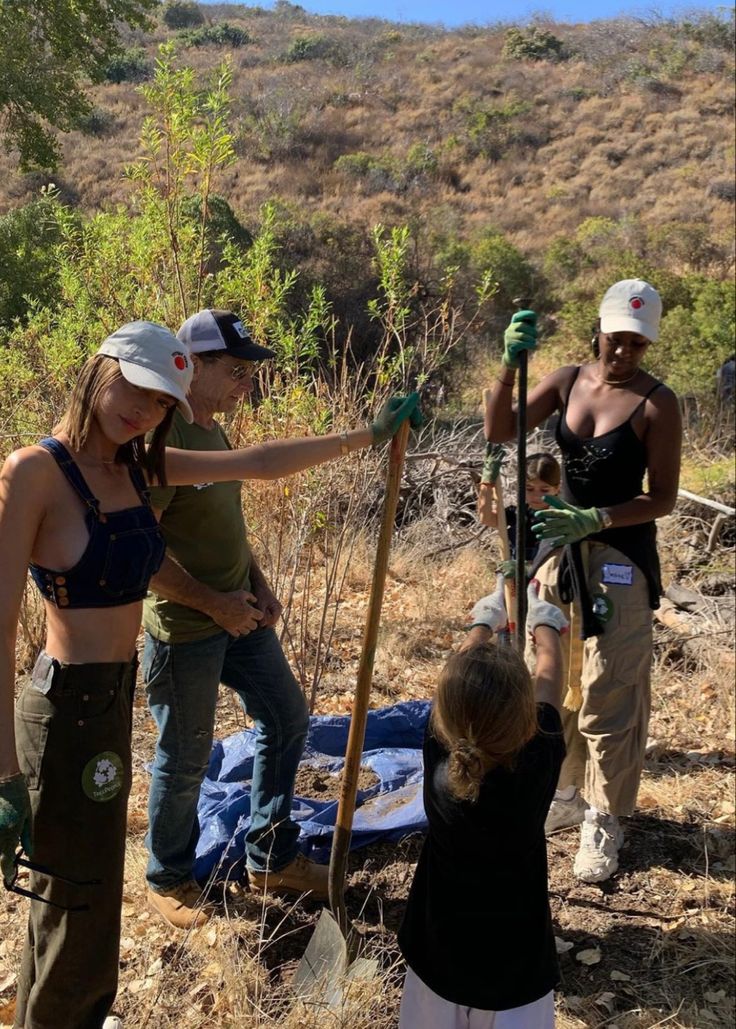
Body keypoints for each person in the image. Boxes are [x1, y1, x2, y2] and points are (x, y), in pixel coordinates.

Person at [0, 319, 419, 1027]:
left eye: (163, 400)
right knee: (74, 891)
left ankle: (53, 1010)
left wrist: (367, 438)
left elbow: (258, 463)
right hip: (60, 710)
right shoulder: (34, 473)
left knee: (85, 892)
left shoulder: (135, 468)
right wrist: (4, 773)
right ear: (100, 368)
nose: (145, 407)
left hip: (110, 702)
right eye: (135, 385)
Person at [142, 309, 421, 929]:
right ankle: (166, 878)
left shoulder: (211, 432)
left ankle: (270, 855)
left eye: (251, 371)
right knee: (184, 757)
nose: (248, 382)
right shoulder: (163, 436)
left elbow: (224, 531)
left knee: (286, 716)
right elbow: (145, 552)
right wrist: (212, 603)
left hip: (238, 617)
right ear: (190, 365)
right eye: (236, 370)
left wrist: (257, 585)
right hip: (185, 627)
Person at [484, 280, 682, 883]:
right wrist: (508, 367)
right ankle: (566, 792)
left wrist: (598, 517)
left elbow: (664, 498)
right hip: (557, 550)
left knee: (610, 687)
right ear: (598, 329)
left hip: (619, 553)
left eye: (636, 345)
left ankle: (605, 815)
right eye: (615, 339)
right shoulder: (569, 379)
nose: (622, 353)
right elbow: (501, 429)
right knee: (553, 675)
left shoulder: (656, 404)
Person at [397, 577, 568, 1029]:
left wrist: (483, 623)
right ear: (528, 722)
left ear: (446, 717)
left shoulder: (440, 751)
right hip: (515, 969)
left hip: (436, 955)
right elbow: (551, 675)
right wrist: (545, 623)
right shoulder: (541, 759)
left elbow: (455, 680)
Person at [477, 447, 561, 563]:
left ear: (557, 489)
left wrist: (526, 569)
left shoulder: (562, 517)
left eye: (544, 490)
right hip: (516, 579)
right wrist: (487, 482)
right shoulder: (517, 513)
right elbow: (486, 518)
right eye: (530, 489)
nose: (537, 496)